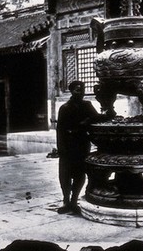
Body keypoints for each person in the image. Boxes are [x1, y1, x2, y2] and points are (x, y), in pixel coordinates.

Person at [55, 81, 98, 214]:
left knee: (80, 174)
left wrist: (87, 121)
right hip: (68, 146)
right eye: (78, 90)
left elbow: (95, 117)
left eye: (83, 89)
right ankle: (66, 201)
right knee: (65, 175)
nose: (81, 92)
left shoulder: (87, 105)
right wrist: (60, 148)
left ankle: (74, 201)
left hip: (82, 144)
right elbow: (60, 130)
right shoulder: (65, 108)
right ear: (72, 91)